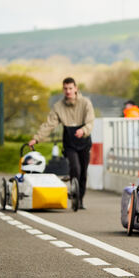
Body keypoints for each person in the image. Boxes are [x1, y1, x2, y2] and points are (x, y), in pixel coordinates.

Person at [28, 77, 95, 210]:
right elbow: (49, 124)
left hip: (84, 140)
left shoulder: (86, 103)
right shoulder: (58, 106)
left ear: (76, 88)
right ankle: (75, 196)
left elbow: (90, 121)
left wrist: (83, 130)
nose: (68, 91)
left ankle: (80, 198)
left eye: (70, 88)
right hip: (69, 141)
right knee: (75, 167)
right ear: (63, 89)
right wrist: (37, 138)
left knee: (83, 171)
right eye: (65, 89)